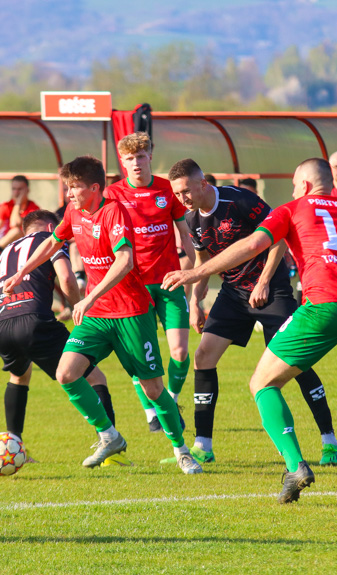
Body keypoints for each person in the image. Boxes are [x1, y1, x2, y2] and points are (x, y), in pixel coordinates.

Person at [163, 157, 337, 507]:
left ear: (304, 186)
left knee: (262, 383)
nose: (292, 190)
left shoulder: (294, 208)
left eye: (294, 184)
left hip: (322, 306)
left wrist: (192, 276)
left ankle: (296, 467)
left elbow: (250, 247)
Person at [3, 155, 202, 474]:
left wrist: (87, 296)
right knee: (66, 374)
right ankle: (109, 436)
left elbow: (124, 262)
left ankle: (181, 450)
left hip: (132, 313)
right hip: (97, 315)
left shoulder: (114, 213)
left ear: (94, 188)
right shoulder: (73, 212)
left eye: (75, 187)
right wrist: (20, 274)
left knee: (153, 389)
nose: (69, 193)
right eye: (67, 187)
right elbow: (51, 244)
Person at [163, 158, 337, 467]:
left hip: (272, 290)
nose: (182, 199)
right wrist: (196, 301)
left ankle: (329, 442)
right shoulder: (191, 219)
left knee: (294, 362)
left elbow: (280, 237)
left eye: (186, 192)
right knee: (203, 357)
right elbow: (204, 258)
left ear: (203, 183)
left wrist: (264, 280)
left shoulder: (241, 200)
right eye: (177, 194)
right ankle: (203, 445)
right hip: (234, 294)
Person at [0, 210, 109, 457]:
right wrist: (79, 309)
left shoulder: (5, 250)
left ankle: (13, 448)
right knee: (94, 377)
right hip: (34, 322)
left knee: (19, 376)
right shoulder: (49, 239)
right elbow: (66, 278)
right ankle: (111, 448)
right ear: (51, 226)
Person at [105, 132, 196, 435]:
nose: (136, 163)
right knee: (140, 355)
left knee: (180, 352)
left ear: (150, 157)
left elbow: (184, 234)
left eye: (140, 157)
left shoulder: (167, 189)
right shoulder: (113, 195)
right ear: (123, 161)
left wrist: (193, 269)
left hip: (169, 282)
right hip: (134, 287)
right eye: (129, 158)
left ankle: (170, 400)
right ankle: (150, 411)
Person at [0, 175, 41, 279]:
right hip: (6, 247)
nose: (16, 192)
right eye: (14, 189)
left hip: (25, 248)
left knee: (16, 231)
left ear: (27, 190)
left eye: (20, 189)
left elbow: (15, 224)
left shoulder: (33, 207)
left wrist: (18, 204)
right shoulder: (5, 206)